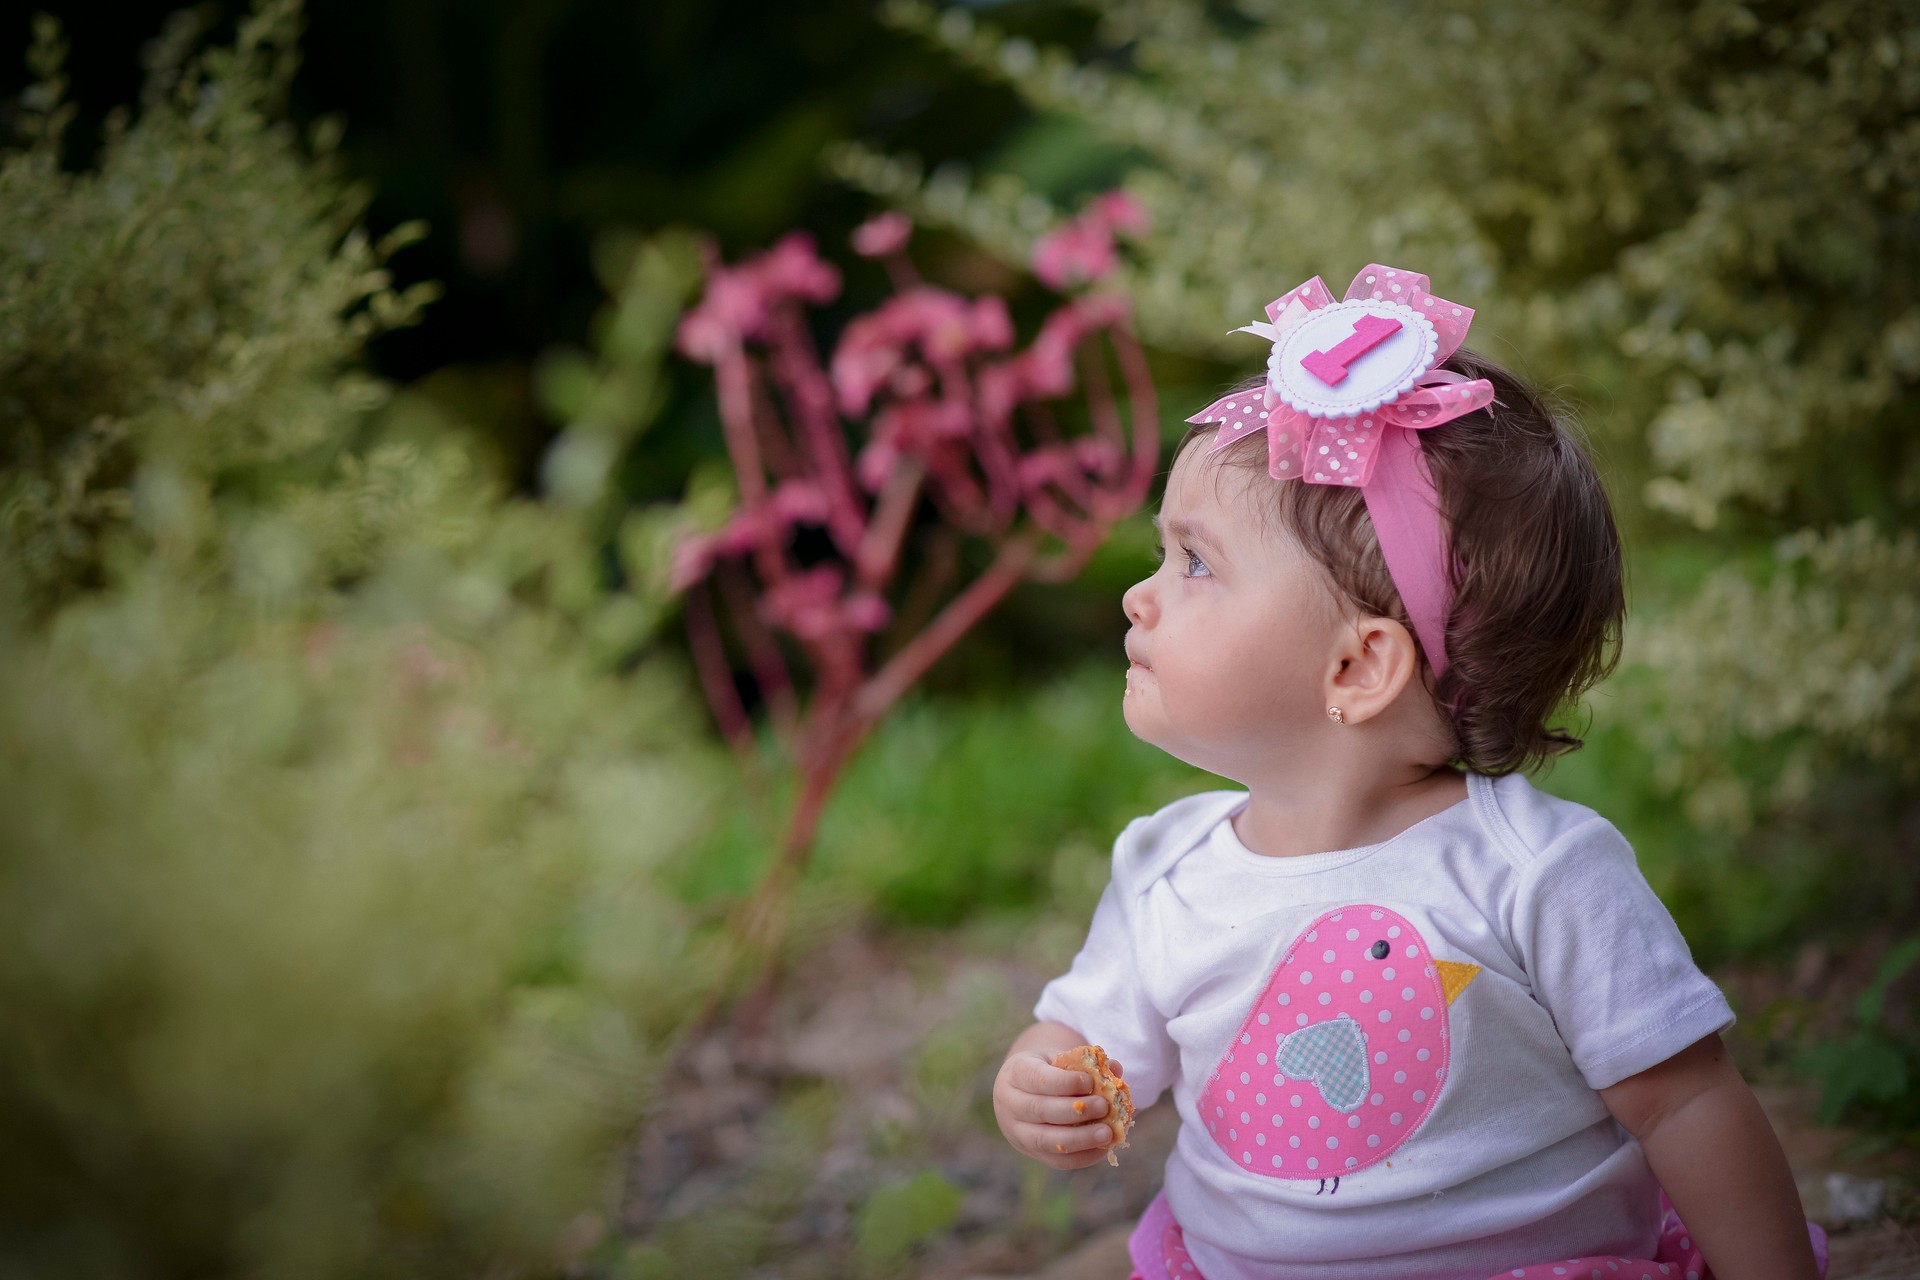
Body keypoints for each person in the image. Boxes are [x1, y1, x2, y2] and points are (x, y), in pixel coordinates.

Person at [991, 266, 1828, 1280]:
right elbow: (1087, 1036)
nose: (1139, 595)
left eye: (1194, 562)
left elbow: (1686, 1098)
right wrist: (1045, 1077)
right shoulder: (1166, 868)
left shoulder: (1533, 871)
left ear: (1357, 667)